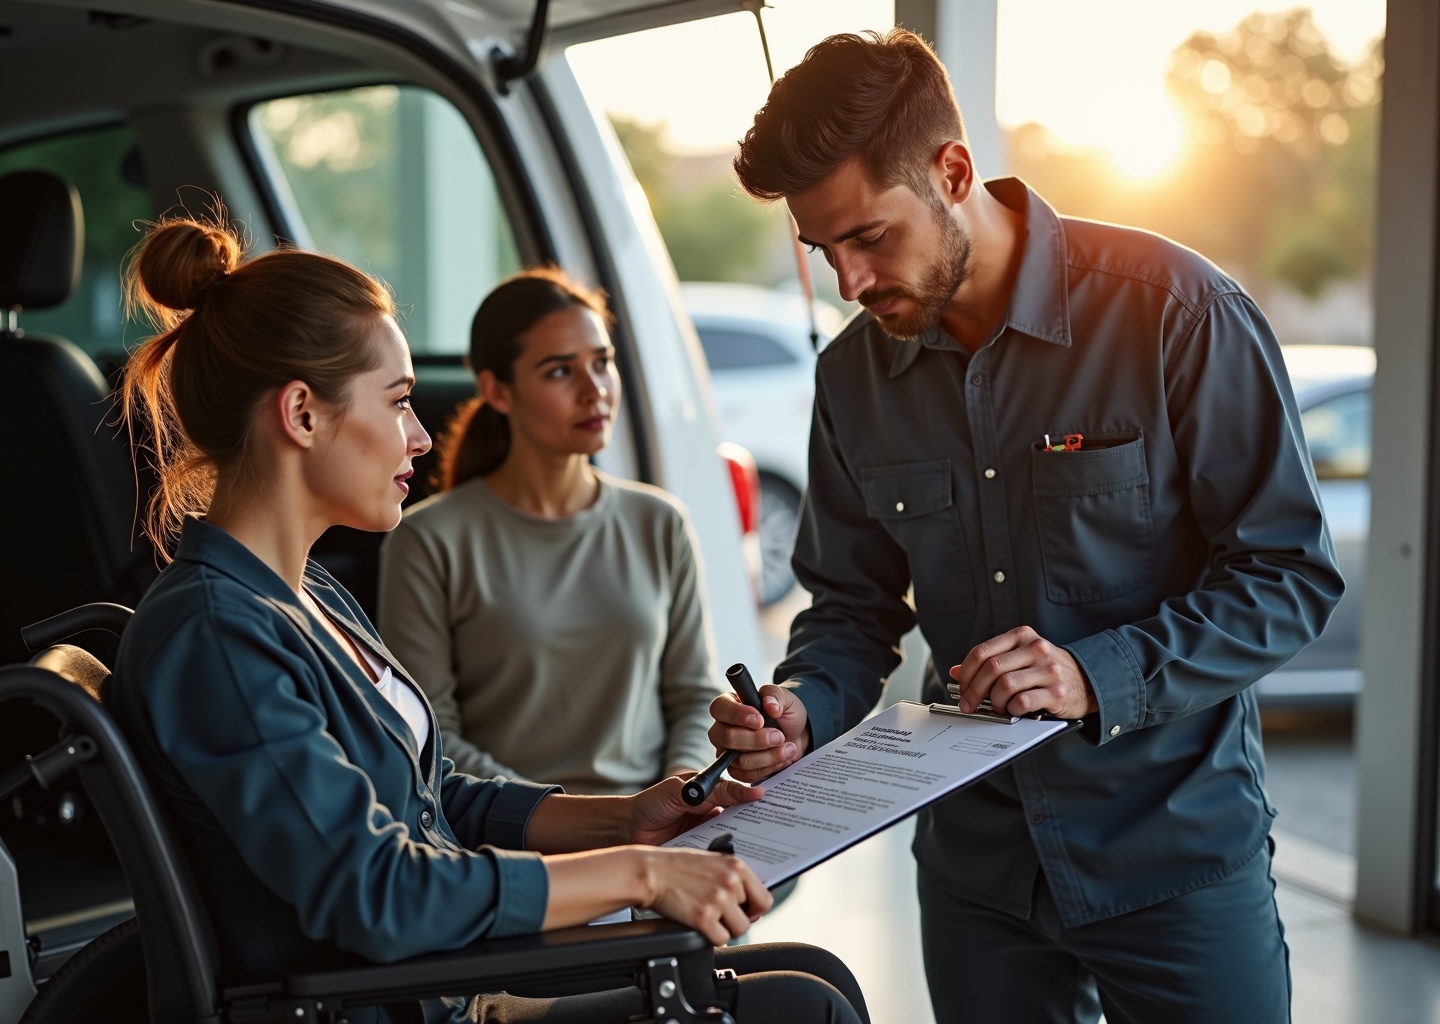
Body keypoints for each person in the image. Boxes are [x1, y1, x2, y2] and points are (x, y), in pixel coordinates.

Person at [707, 28, 1344, 1024]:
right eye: (823, 249)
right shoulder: (851, 379)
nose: (851, 282)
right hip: (978, 878)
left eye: (870, 236)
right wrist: (802, 709)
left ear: (952, 171)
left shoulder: (1177, 312)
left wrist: (1097, 673)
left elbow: (1289, 575)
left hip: (1173, 860)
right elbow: (849, 609)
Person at [109, 216, 869, 1024]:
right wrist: (641, 876)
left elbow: (434, 799)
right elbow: (378, 891)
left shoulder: (308, 597)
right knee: (804, 1007)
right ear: (301, 414)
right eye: (398, 403)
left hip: (446, 989)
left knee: (818, 978)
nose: (420, 435)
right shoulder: (217, 636)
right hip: (397, 1006)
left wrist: (628, 819)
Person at [377, 268, 723, 794]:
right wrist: (581, 821)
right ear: (496, 390)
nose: (595, 391)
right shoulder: (427, 540)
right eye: (561, 371)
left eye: (602, 363)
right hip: (517, 837)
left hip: (660, 827)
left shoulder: (660, 523)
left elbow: (695, 696)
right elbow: (431, 733)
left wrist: (679, 796)